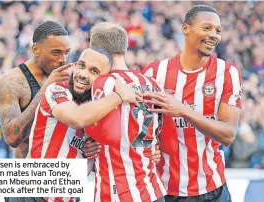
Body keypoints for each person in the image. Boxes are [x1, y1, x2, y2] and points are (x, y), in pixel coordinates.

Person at [142, 5, 242, 202]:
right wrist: (148, 150)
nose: (214, 35)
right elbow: (143, 130)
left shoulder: (227, 73)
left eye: (218, 30)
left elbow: (228, 134)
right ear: (185, 29)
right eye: (207, 28)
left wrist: (183, 111)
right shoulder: (154, 73)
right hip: (166, 189)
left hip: (213, 189)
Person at [25, 46, 141, 202]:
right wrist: (119, 95)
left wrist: (86, 153)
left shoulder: (100, 107)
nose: (82, 74)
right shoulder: (57, 89)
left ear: (102, 80)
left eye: (94, 71)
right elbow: (77, 118)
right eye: (81, 65)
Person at [84, 22, 169, 202]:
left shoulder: (104, 83)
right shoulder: (153, 84)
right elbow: (158, 133)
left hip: (118, 191)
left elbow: (94, 128)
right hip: (153, 190)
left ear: (97, 52)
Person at [0, 21, 71, 158]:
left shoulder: (66, 77)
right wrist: (45, 88)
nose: (63, 60)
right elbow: (12, 137)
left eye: (67, 53)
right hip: (30, 173)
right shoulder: (10, 82)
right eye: (56, 53)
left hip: (61, 170)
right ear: (36, 49)